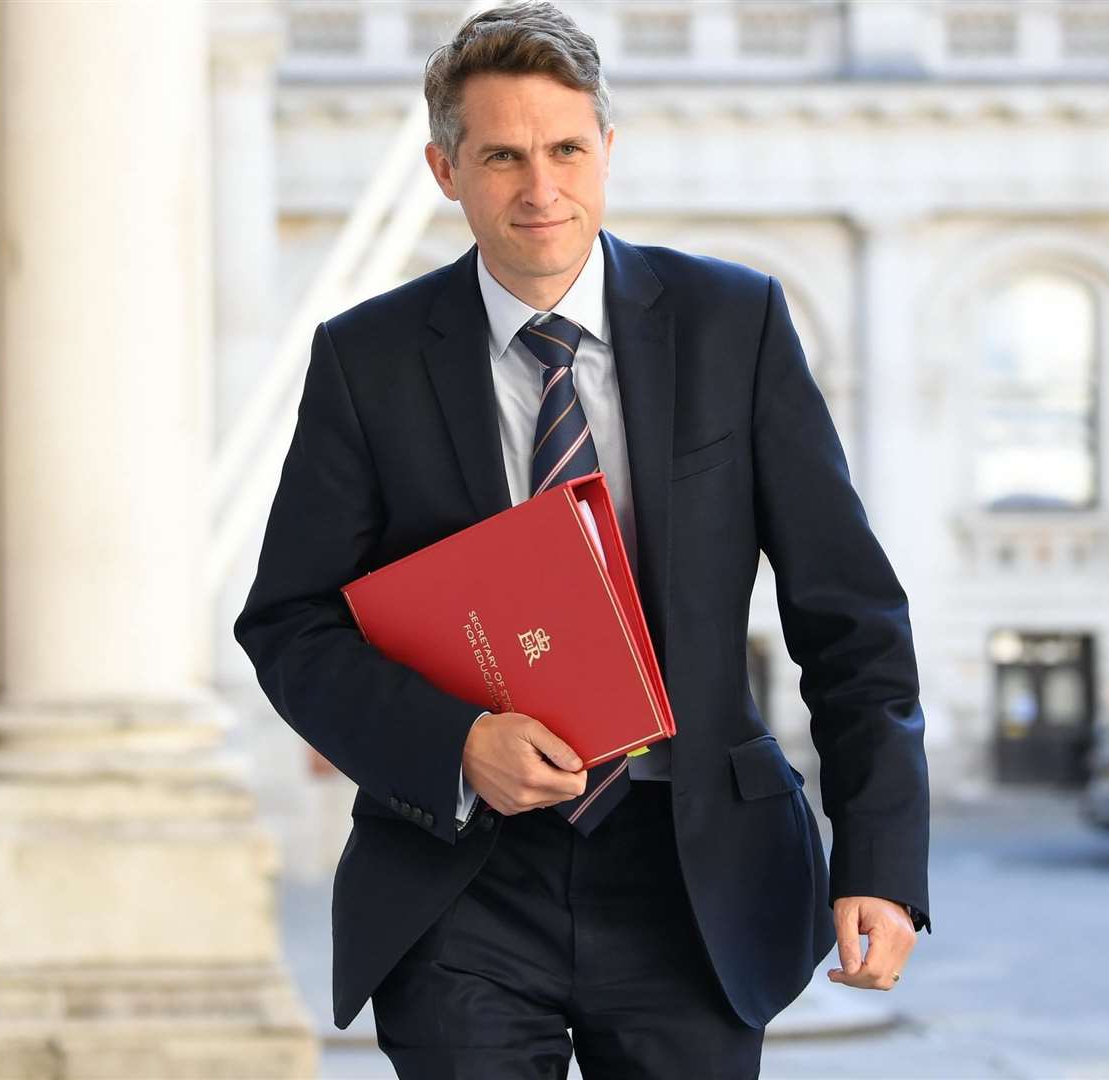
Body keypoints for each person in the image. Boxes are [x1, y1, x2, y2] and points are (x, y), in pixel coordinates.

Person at [234, 3, 931, 1076]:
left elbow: (848, 613)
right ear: (444, 169)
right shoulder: (365, 361)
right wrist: (455, 742)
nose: (541, 189)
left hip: (692, 874)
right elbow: (289, 623)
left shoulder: (732, 325)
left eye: (566, 149)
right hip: (462, 880)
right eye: (503, 156)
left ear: (608, 150)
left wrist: (878, 860)